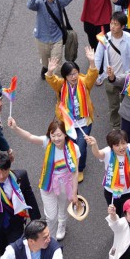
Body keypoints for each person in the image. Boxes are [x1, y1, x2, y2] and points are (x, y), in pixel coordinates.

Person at [8, 118, 80, 241]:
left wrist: (74, 193)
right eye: (53, 135)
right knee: (51, 216)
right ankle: (50, 236)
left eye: (59, 135)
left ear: (65, 134)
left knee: (63, 207)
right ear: (49, 135)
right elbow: (30, 137)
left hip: (66, 184)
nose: (56, 139)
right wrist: (15, 128)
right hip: (48, 182)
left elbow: (75, 172)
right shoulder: (47, 142)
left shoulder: (75, 149)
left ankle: (62, 224)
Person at [45, 48, 98, 183]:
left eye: (75, 73)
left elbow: (92, 75)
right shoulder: (61, 85)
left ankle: (80, 168)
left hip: (84, 122)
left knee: (81, 146)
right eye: (70, 75)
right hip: (67, 123)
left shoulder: (84, 82)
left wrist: (92, 61)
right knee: (69, 146)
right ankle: (70, 164)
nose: (73, 77)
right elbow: (51, 79)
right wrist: (50, 70)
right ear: (65, 76)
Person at [94, 11, 130, 130]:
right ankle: (116, 126)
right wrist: (96, 74)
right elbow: (98, 57)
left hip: (127, 77)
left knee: (127, 103)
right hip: (110, 77)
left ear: (123, 26)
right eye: (111, 23)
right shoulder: (104, 38)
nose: (112, 26)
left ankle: (127, 125)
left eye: (116, 24)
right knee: (113, 105)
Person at [27, 0, 74, 78]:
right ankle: (45, 67)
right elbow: (30, 5)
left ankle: (59, 89)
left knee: (57, 67)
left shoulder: (59, 1)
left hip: (57, 39)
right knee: (45, 61)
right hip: (41, 39)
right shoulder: (39, 2)